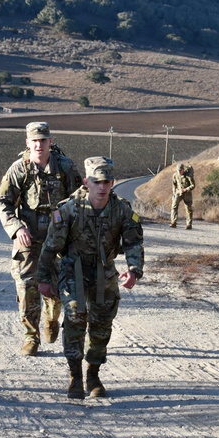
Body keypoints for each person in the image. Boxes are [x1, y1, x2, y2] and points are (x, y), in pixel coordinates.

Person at [36, 156, 144, 400]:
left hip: (104, 272)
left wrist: (133, 270)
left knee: (102, 325)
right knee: (75, 317)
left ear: (112, 182)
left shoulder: (122, 210)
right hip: (73, 269)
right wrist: (43, 278)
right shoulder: (70, 209)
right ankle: (75, 375)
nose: (102, 187)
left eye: (106, 182)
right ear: (87, 181)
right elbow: (51, 247)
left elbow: (133, 242)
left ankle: (93, 374)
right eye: (97, 181)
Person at [0, 121, 83, 356]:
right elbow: (3, 202)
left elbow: (79, 200)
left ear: (50, 142)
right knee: (26, 288)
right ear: (27, 142)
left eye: (43, 140)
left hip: (58, 240)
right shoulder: (19, 169)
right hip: (28, 239)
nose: (38, 145)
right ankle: (31, 337)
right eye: (34, 141)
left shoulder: (65, 167)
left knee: (55, 292)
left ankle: (51, 320)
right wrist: (15, 228)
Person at [170, 162, 195, 229]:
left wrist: (186, 189)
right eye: (178, 170)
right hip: (178, 192)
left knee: (188, 208)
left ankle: (189, 224)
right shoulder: (175, 175)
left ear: (183, 170)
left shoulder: (188, 176)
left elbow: (193, 185)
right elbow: (174, 183)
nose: (179, 172)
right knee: (174, 206)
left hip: (187, 193)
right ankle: (173, 222)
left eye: (181, 170)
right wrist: (174, 191)